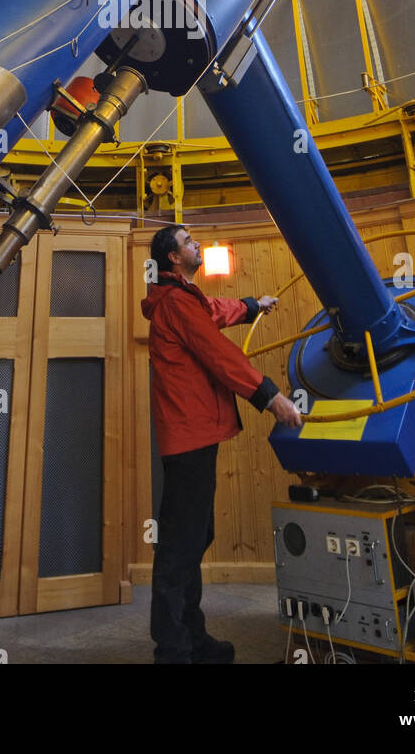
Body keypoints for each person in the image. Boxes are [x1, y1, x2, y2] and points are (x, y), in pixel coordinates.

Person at [142, 223, 302, 665]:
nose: (196, 245)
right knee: (179, 546)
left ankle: (192, 639)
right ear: (174, 258)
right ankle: (173, 650)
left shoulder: (182, 299)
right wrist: (271, 397)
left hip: (196, 435)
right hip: (190, 435)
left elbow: (213, 309)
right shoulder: (176, 303)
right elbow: (219, 353)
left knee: (194, 536)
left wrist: (253, 306)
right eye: (189, 241)